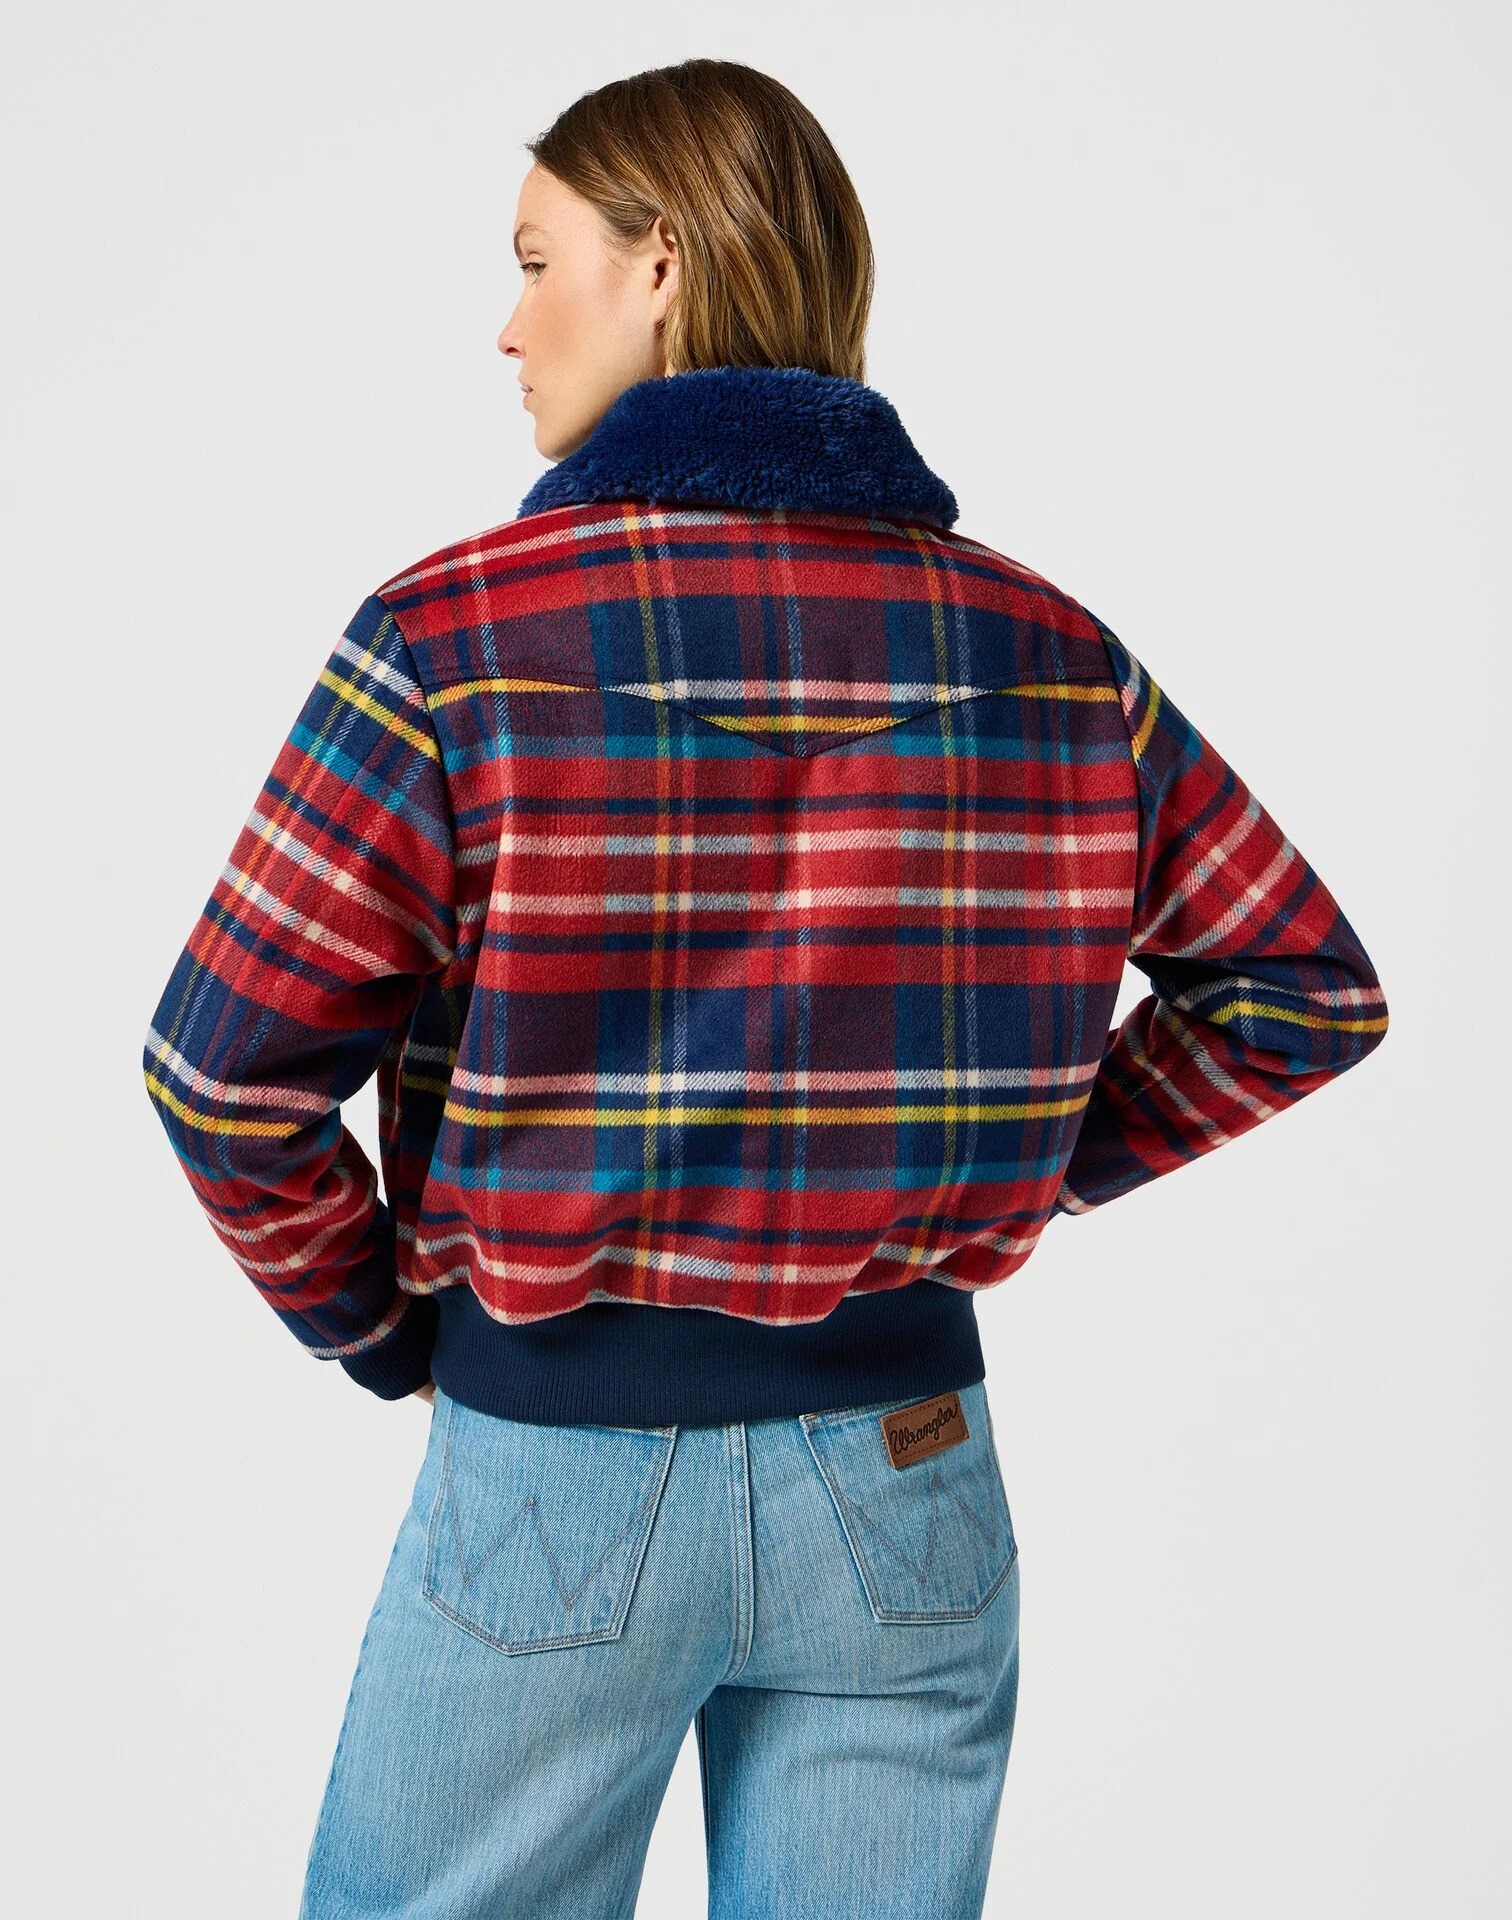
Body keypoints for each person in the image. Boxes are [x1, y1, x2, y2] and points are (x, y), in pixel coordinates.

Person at [140, 57, 1389, 1920]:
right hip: (906, 1472)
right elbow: (1299, 988)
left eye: (535, 261)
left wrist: (392, 1331)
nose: (507, 326)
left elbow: (220, 1073)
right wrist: (1008, 1164)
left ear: (660, 265)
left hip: (556, 1469)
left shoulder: (454, 638)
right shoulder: (1048, 650)